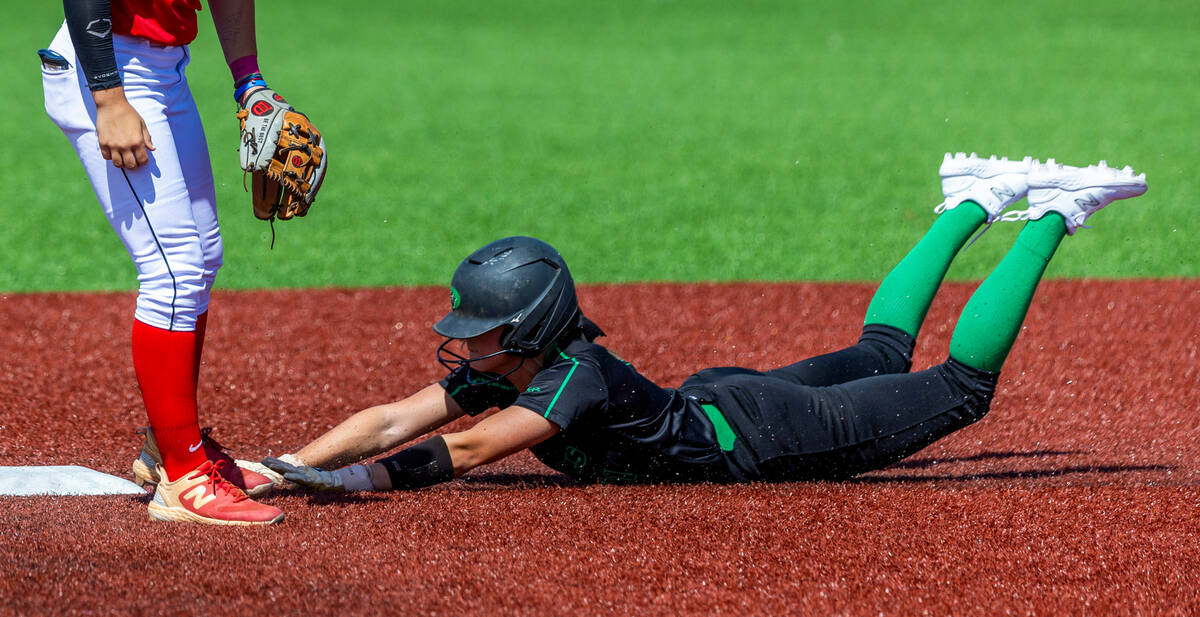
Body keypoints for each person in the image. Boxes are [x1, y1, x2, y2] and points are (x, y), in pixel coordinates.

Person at [259, 153, 1147, 491]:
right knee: (882, 351)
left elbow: (464, 451)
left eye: (483, 327)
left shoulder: (572, 377)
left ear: (527, 327)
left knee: (960, 388)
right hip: (724, 401)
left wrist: (353, 488)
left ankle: (1050, 214)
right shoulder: (511, 366)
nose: (468, 340)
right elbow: (389, 421)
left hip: (767, 435)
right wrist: (290, 463)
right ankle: (972, 198)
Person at [41, 0, 295, 524]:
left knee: (204, 254)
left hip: (166, 70)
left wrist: (249, 78)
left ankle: (171, 447)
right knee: (173, 269)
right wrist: (109, 98)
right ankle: (182, 480)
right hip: (108, 68)